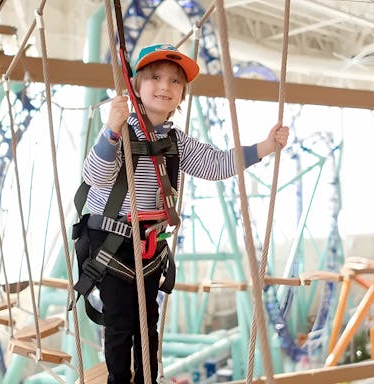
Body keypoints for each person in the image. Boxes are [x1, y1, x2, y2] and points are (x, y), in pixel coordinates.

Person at [76, 43, 289, 384]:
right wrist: (112, 130)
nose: (165, 87)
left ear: (182, 95)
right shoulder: (121, 132)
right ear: (135, 86)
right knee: (120, 320)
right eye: (156, 77)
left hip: (147, 244)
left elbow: (217, 164)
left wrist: (265, 147)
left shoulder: (177, 141)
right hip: (111, 241)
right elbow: (95, 176)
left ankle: (147, 378)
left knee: (148, 320)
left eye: (175, 82)